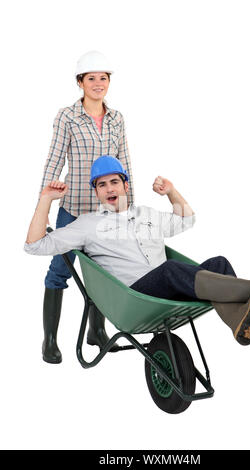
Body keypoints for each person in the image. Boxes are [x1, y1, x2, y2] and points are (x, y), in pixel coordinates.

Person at [25, 156, 250, 352]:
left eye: (114, 182)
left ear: (125, 185)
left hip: (168, 289)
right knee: (169, 270)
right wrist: (46, 200)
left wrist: (171, 192)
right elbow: (34, 245)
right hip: (134, 297)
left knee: (219, 263)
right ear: (96, 192)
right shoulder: (87, 224)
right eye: (102, 185)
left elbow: (187, 219)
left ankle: (237, 320)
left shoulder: (146, 214)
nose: (109, 189)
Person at [38, 51, 134, 363]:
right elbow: (55, 157)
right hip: (74, 209)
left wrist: (127, 203)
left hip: (106, 213)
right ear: (80, 82)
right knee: (58, 273)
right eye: (91, 78)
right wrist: (44, 199)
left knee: (104, 274)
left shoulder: (117, 118)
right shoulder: (67, 116)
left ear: (109, 82)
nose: (97, 83)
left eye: (103, 78)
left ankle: (96, 332)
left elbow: (124, 162)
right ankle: (49, 340)